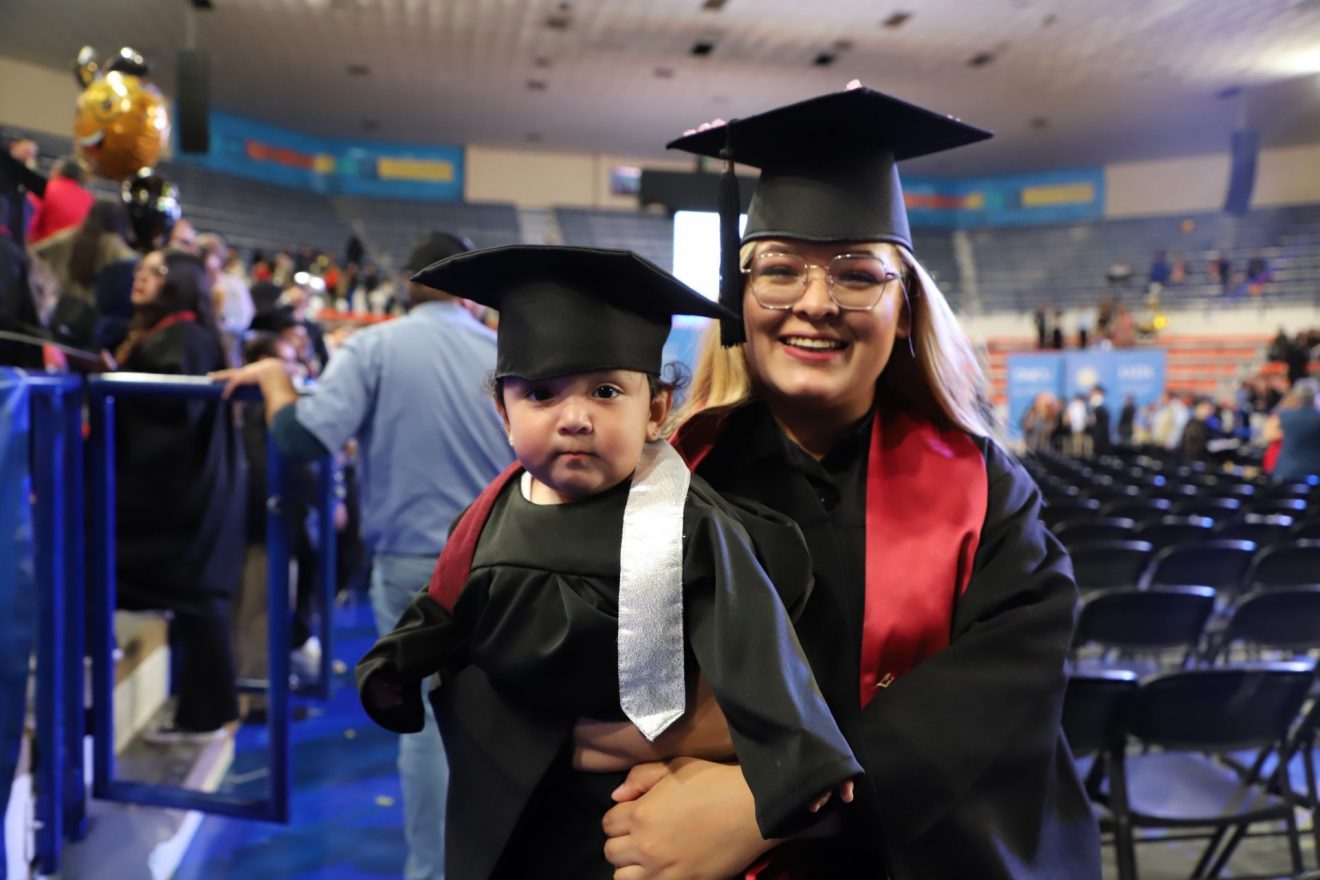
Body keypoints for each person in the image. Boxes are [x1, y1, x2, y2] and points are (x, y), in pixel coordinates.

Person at [583, 86, 1100, 879]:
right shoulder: (668, 484)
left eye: (857, 274)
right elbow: (601, 717)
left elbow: (999, 710)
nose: (816, 303)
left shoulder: (984, 492)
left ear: (905, 309)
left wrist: (778, 801)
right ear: (739, 298)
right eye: (780, 270)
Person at [357, 245, 860, 880]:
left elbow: (751, 640)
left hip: (637, 798)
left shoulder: (689, 522)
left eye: (605, 391)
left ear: (655, 411)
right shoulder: (487, 516)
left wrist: (801, 753)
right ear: (503, 413)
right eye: (541, 394)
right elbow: (444, 605)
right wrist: (394, 665)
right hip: (512, 787)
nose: (575, 419)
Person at [212, 230, 512, 880]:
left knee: (426, 730)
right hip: (505, 559)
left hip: (413, 566)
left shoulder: (375, 347)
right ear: (468, 289)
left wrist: (274, 379)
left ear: (408, 283)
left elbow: (303, 439)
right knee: (501, 726)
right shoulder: (504, 350)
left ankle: (432, 871)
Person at [113, 248, 246, 739]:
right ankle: (203, 714)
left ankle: (204, 715)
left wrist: (111, 394)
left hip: (185, 500)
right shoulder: (177, 334)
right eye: (141, 268)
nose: (142, 276)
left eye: (156, 271)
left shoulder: (184, 338)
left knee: (198, 599)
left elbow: (167, 419)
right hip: (189, 494)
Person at [27, 157, 94, 246]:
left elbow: (28, 225)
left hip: (44, 249)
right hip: (75, 251)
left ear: (56, 171)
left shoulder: (44, 189)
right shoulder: (90, 199)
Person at [1263, 379, 1320, 482]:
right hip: (1315, 471)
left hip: (1287, 471)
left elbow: (1268, 436)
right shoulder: (1317, 417)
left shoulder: (1282, 416)